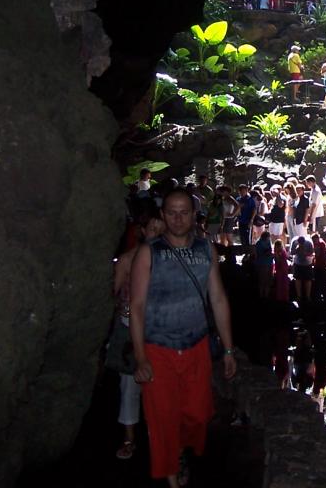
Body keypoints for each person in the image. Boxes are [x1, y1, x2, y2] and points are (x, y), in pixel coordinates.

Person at [129, 190, 236, 487]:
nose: (178, 218)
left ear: (193, 215)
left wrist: (228, 349)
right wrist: (140, 357)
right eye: (172, 212)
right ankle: (172, 475)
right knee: (163, 419)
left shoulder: (205, 250)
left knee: (198, 415)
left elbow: (218, 299)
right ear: (163, 215)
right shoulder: (149, 252)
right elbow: (136, 307)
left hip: (196, 344)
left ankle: (179, 449)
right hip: (158, 346)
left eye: (184, 212)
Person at [112, 211, 164, 461]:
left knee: (158, 385)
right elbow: (114, 293)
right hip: (128, 325)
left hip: (157, 327)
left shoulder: (167, 260)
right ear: (143, 231)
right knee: (129, 385)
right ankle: (129, 437)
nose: (155, 232)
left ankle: (158, 436)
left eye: (159, 228)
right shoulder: (126, 260)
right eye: (151, 228)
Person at [290, 233, 315, 303]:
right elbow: (291, 253)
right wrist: (296, 250)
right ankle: (299, 296)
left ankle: (308, 296)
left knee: (308, 279)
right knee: (298, 279)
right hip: (297, 263)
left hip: (307, 263)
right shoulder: (294, 241)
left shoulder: (309, 242)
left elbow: (311, 253)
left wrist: (305, 253)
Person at [253, 230, 274, 298]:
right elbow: (258, 254)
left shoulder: (268, 242)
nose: (269, 238)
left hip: (269, 263)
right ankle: (262, 295)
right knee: (262, 281)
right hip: (262, 264)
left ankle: (266, 296)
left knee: (267, 281)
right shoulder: (259, 243)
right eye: (268, 237)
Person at [312, 232, 326, 301]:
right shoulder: (321, 243)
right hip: (319, 265)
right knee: (320, 281)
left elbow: (318, 254)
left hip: (321, 265)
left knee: (321, 281)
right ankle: (320, 295)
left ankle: (322, 296)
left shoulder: (320, 244)